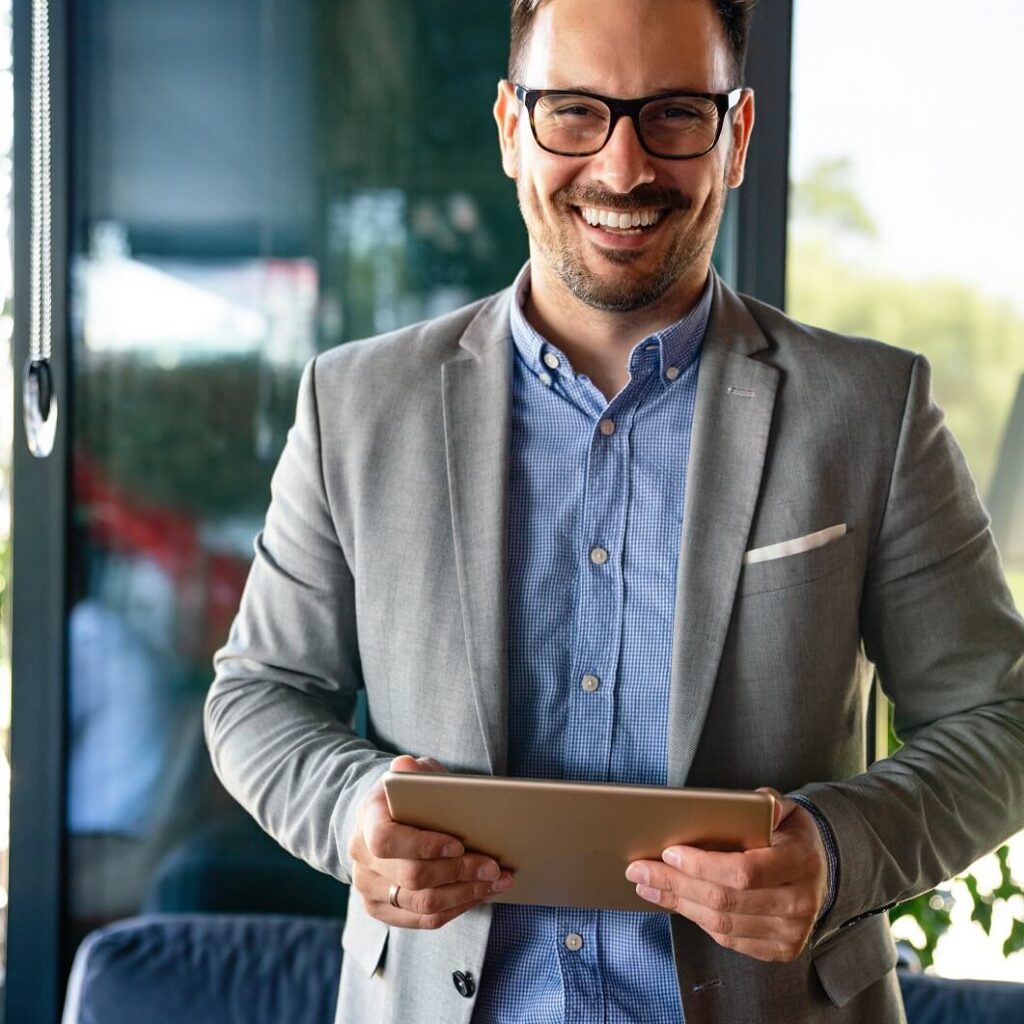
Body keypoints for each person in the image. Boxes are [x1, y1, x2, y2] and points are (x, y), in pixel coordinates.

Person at [204, 0, 1024, 1020]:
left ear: (737, 136)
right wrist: (348, 809)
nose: (624, 168)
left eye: (674, 112)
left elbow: (999, 719)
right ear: (511, 128)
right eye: (574, 112)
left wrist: (835, 851)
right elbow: (259, 695)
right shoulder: (355, 405)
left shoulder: (870, 410)